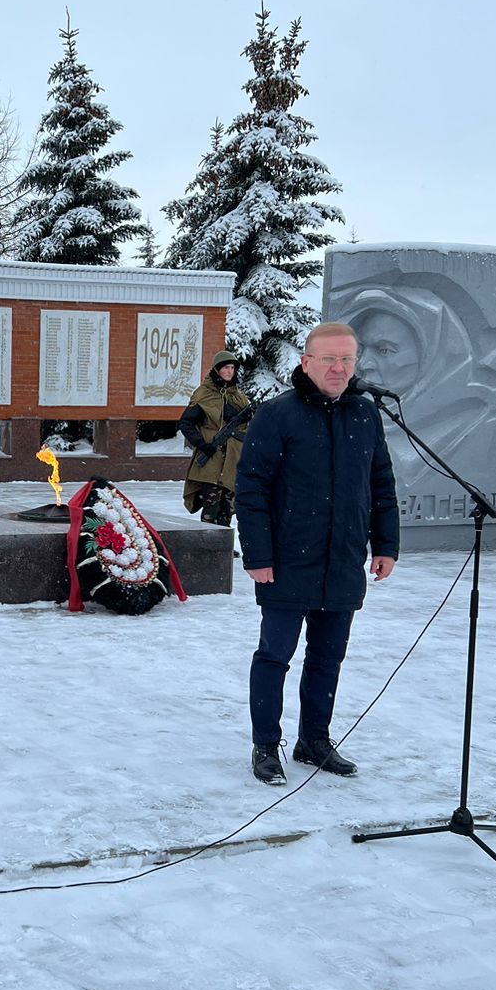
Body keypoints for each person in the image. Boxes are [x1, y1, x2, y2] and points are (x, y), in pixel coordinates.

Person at [234, 321, 399, 785]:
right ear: (306, 362)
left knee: (328, 659)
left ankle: (314, 741)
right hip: (286, 562)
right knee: (275, 655)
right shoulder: (276, 415)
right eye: (328, 358)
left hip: (342, 561)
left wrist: (386, 544)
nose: (338, 367)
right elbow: (252, 490)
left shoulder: (365, 416)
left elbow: (381, 484)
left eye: (346, 359)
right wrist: (258, 555)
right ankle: (266, 744)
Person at [179, 349, 252, 526]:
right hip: (211, 459)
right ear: (217, 369)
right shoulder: (203, 394)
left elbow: (247, 428)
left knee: (228, 508)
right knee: (211, 506)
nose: (229, 371)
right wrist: (202, 444)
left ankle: (223, 546)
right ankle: (208, 546)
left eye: (232, 368)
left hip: (232, 460)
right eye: (226, 367)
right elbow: (186, 423)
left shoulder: (239, 396)